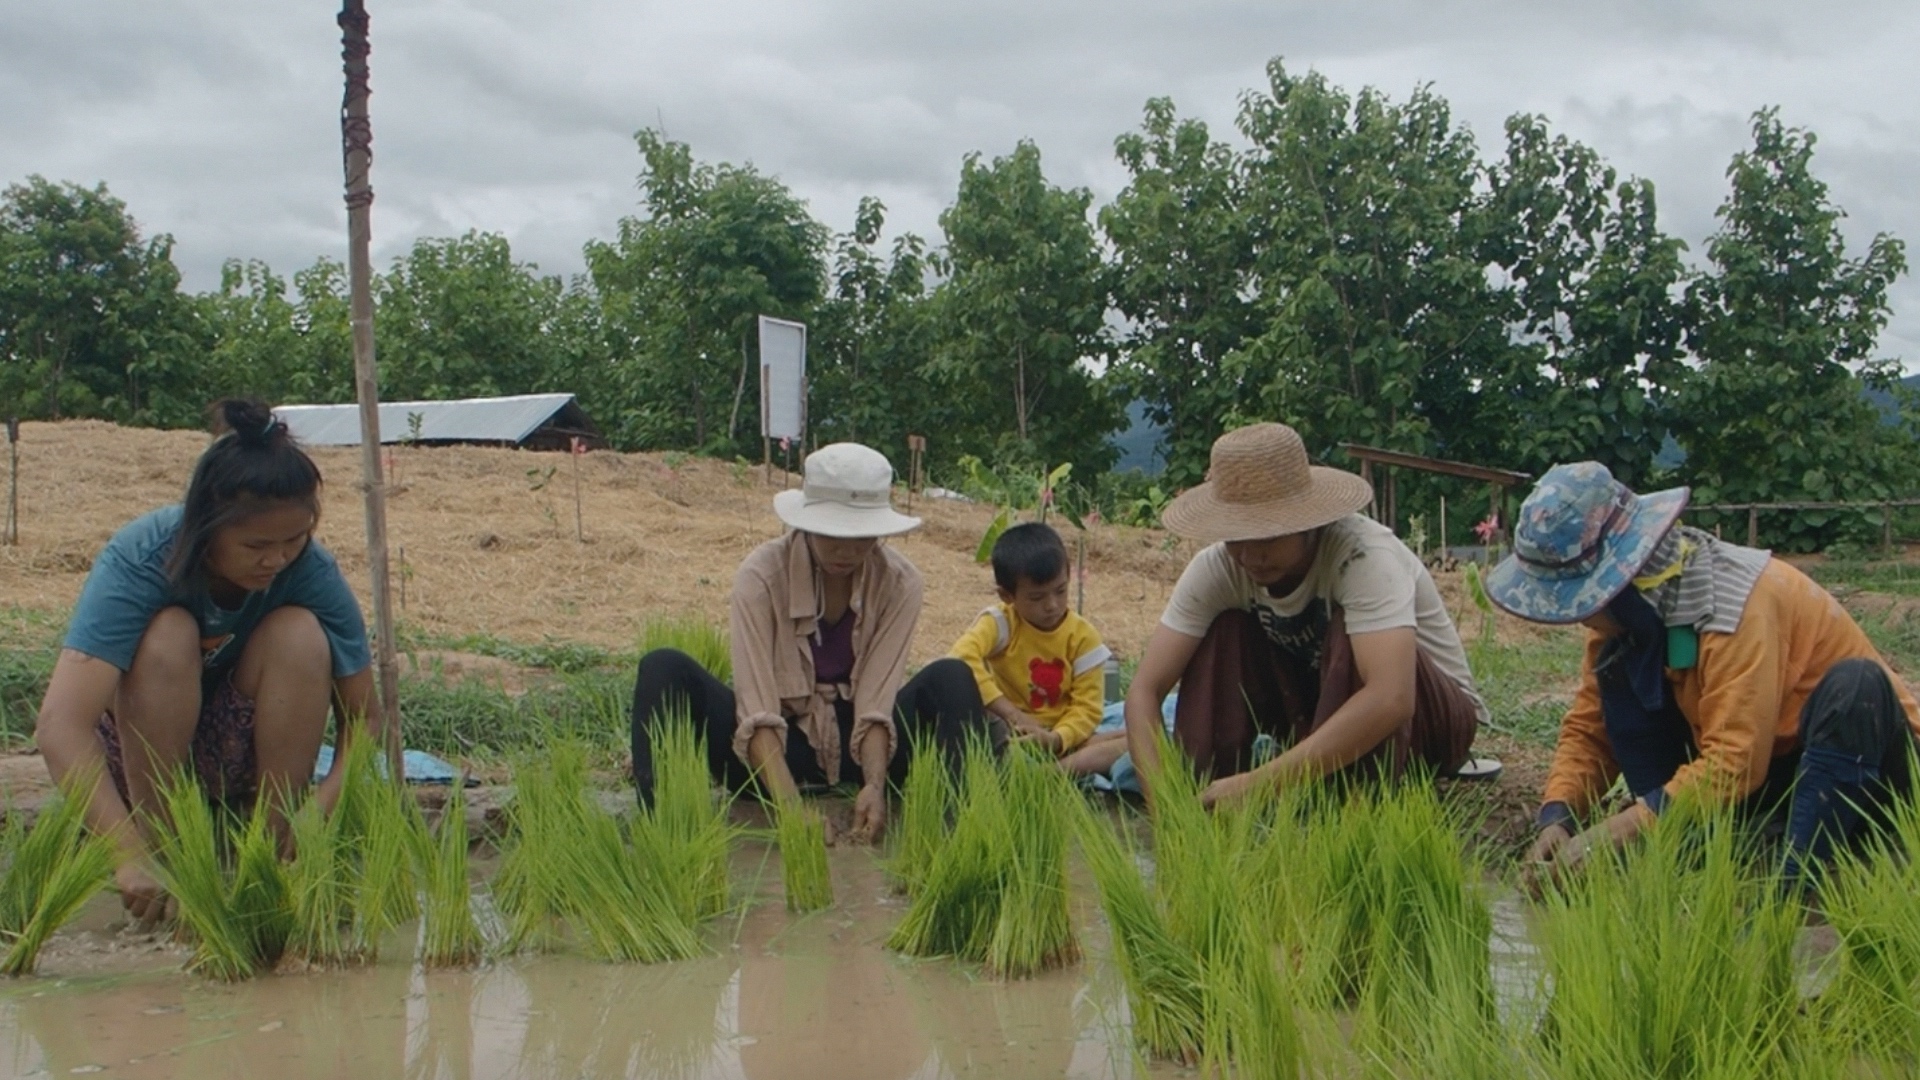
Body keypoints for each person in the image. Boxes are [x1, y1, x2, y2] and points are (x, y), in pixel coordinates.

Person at [1485, 462, 1920, 891]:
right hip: (1776, 780)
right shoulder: (1626, 621)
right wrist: (1557, 815)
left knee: (1854, 685)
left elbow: (1737, 760)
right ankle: (1703, 847)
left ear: (1623, 577)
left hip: (1865, 769)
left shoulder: (1736, 607)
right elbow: (1590, 729)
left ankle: (1799, 885)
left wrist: (1621, 829)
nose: (1580, 620)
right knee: (1619, 677)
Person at [35, 399, 381, 925]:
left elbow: (366, 719)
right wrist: (127, 854)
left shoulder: (309, 569)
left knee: (300, 635)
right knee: (167, 635)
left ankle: (268, 852)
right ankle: (166, 850)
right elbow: (61, 723)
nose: (277, 559)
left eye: (294, 540)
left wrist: (317, 811)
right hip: (135, 748)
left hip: (236, 749)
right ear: (205, 527)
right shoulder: (142, 557)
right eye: (256, 544)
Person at [630, 442, 995, 844]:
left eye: (862, 538)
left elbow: (877, 699)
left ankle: (957, 835)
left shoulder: (899, 583)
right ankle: (659, 835)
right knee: (663, 667)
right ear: (805, 524)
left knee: (952, 677)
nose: (847, 551)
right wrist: (790, 811)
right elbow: (757, 707)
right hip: (778, 748)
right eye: (833, 535)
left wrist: (874, 784)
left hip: (863, 747)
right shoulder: (761, 577)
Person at [1124, 422, 1484, 806]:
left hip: (1431, 722)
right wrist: (1164, 806)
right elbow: (1144, 691)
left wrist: (1261, 783)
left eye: (1267, 539)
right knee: (1225, 632)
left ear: (1307, 523)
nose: (1249, 556)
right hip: (1314, 713)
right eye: (1235, 539)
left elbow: (1392, 698)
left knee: (1347, 633)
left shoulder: (1362, 558)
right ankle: (1205, 801)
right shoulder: (1221, 568)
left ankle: (1341, 806)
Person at [948, 522, 1111, 770]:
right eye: (1037, 597)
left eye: (1060, 591)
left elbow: (1087, 710)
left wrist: (1056, 738)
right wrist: (1013, 714)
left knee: (1136, 741)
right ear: (1007, 596)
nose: (1052, 605)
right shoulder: (1001, 623)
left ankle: (1050, 772)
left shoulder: (1083, 637)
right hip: (1009, 730)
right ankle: (1056, 770)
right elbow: (960, 659)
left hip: (1063, 738)